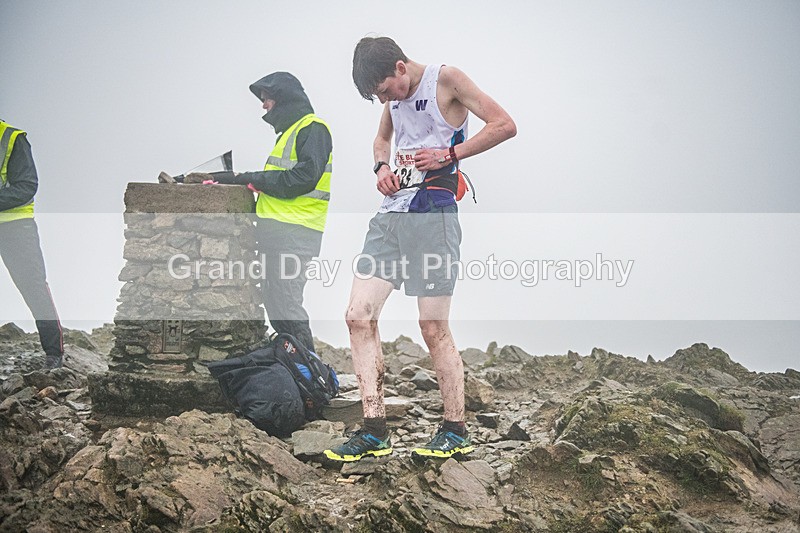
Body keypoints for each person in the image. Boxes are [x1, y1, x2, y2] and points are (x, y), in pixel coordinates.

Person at [324, 38, 516, 462]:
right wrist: (381, 167)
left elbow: (504, 124)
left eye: (385, 90)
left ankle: (455, 429)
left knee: (432, 328)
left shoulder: (446, 80)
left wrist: (451, 153)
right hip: (391, 216)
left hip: (435, 216)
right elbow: (381, 141)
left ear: (400, 67)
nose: (385, 99)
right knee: (358, 316)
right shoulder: (390, 99)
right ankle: (374, 431)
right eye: (377, 96)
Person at [212, 73, 332, 353]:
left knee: (287, 305)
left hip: (296, 232)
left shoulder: (313, 128)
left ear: (284, 97)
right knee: (278, 307)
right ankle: (300, 374)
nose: (264, 105)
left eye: (267, 98)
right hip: (278, 232)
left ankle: (313, 378)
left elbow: (304, 178)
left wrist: (248, 178)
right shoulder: (289, 133)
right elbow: (278, 184)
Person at [0, 120, 64, 370]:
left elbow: (26, 187)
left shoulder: (13, 138)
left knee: (33, 287)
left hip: (16, 227)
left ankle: (54, 354)